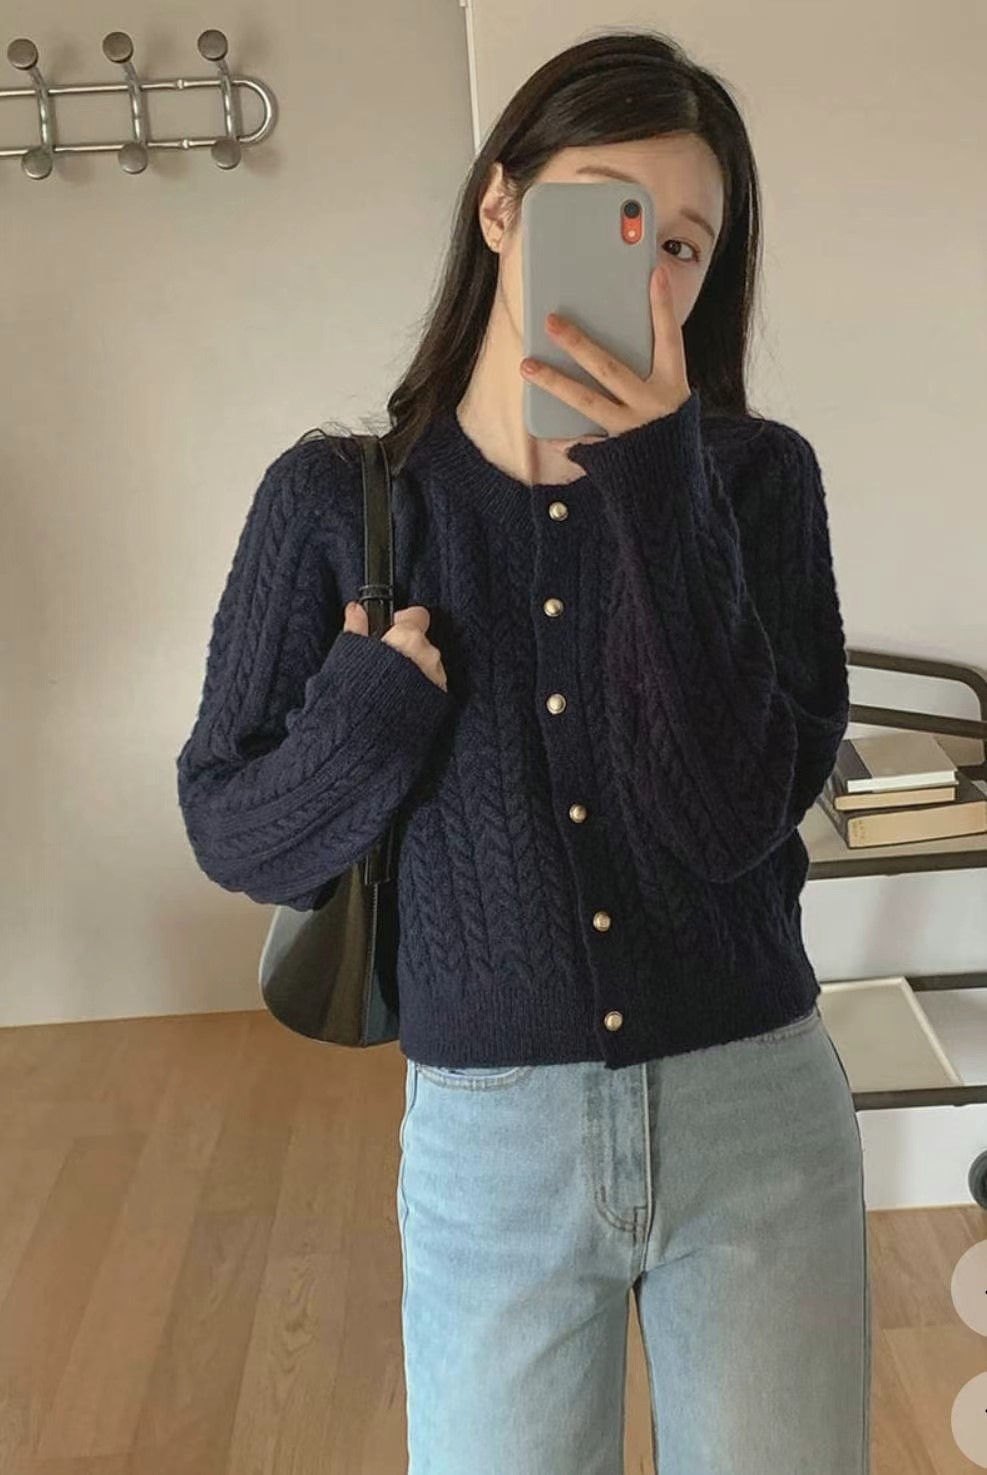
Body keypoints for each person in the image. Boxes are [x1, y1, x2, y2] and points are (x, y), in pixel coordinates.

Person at [175, 28, 870, 1475]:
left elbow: (734, 815)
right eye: (612, 219)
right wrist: (368, 711)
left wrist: (662, 493)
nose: (649, 275)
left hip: (757, 1119)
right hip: (493, 1147)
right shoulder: (337, 502)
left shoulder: (756, 483)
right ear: (503, 207)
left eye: (683, 245)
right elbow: (235, 833)